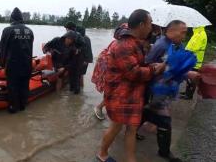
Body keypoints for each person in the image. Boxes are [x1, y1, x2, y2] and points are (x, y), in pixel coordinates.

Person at [97, 9, 165, 162]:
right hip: (120, 94)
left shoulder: (135, 43)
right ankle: (102, 154)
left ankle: (131, 159)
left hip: (132, 93)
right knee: (116, 126)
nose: (150, 27)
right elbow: (133, 73)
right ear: (141, 25)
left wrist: (150, 65)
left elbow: (138, 65)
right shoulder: (124, 45)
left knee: (132, 128)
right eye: (149, 23)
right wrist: (154, 69)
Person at [142, 20, 201, 162]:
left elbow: (176, 66)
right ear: (172, 31)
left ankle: (134, 128)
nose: (185, 36)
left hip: (167, 90)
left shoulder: (177, 45)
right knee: (163, 120)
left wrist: (188, 73)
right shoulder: (161, 45)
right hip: (157, 90)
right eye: (183, 32)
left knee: (146, 116)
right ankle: (164, 152)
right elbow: (147, 65)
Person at [0, 7, 34, 114]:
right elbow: (30, 48)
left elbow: (3, 47)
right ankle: (23, 106)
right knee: (24, 85)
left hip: (13, 64)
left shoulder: (7, 30)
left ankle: (13, 108)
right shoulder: (30, 31)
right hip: (27, 63)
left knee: (13, 86)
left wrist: (2, 64)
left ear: (12, 18)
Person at [182, 26, 208, 99]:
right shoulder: (197, 33)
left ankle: (189, 95)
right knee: (189, 76)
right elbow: (190, 45)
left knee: (192, 78)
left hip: (195, 60)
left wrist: (186, 51)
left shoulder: (201, 34)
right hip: (191, 58)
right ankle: (187, 92)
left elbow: (195, 47)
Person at [64, 22, 86, 94]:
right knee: (71, 74)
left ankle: (76, 93)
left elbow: (83, 44)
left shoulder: (78, 35)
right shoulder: (68, 34)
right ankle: (71, 91)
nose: (66, 30)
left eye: (66, 28)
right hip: (71, 58)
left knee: (76, 75)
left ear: (70, 28)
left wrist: (78, 50)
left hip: (77, 58)